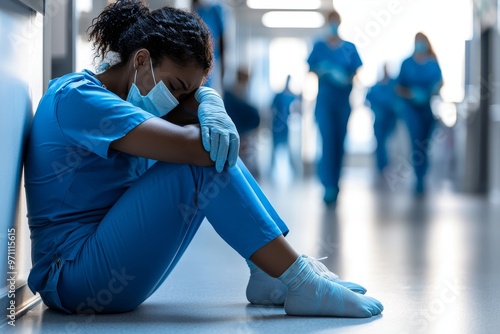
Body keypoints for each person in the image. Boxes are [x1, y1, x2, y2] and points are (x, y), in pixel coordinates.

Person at [24, 1, 383, 318]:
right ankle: (299, 280)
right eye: (178, 87)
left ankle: (270, 273)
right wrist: (212, 106)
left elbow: (199, 129)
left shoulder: (135, 100)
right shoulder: (78, 97)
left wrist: (208, 101)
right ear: (142, 60)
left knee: (213, 144)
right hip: (73, 277)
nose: (179, 100)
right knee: (204, 155)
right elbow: (195, 149)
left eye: (190, 91)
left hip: (105, 267)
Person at [307, 9, 363, 206]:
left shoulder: (349, 47)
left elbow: (356, 73)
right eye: (330, 21)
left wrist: (344, 77)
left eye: (335, 21)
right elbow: (311, 68)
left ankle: (336, 183)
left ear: (339, 23)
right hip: (325, 104)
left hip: (343, 104)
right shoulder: (319, 46)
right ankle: (328, 185)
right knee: (328, 142)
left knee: (339, 144)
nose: (333, 24)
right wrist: (326, 69)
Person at [395, 32, 443, 195]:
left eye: (422, 42)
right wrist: (412, 94)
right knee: (416, 142)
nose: (419, 45)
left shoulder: (432, 63)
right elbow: (398, 87)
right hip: (411, 109)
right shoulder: (406, 63)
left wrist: (432, 90)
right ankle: (419, 178)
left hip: (427, 109)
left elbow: (440, 82)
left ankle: (422, 175)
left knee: (425, 143)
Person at [223, 67, 261, 176]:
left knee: (243, 159)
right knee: (241, 159)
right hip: (238, 130)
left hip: (240, 130)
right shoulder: (233, 94)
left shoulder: (234, 93)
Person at [365, 64, 398, 174]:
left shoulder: (393, 85)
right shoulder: (375, 87)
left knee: (389, 142)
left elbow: (399, 98)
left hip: (391, 118)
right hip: (379, 119)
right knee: (380, 141)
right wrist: (375, 109)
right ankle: (381, 167)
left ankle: (389, 165)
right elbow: (367, 101)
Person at [192, 0, 225, 94]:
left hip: (208, 64)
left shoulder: (215, 10)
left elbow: (223, 43)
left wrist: (222, 77)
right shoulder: (190, 7)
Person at [270, 74, 301, 175]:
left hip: (286, 127)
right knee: (274, 149)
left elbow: (298, 110)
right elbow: (271, 109)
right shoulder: (279, 96)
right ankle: (271, 170)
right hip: (276, 125)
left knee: (289, 148)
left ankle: (294, 170)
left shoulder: (292, 96)